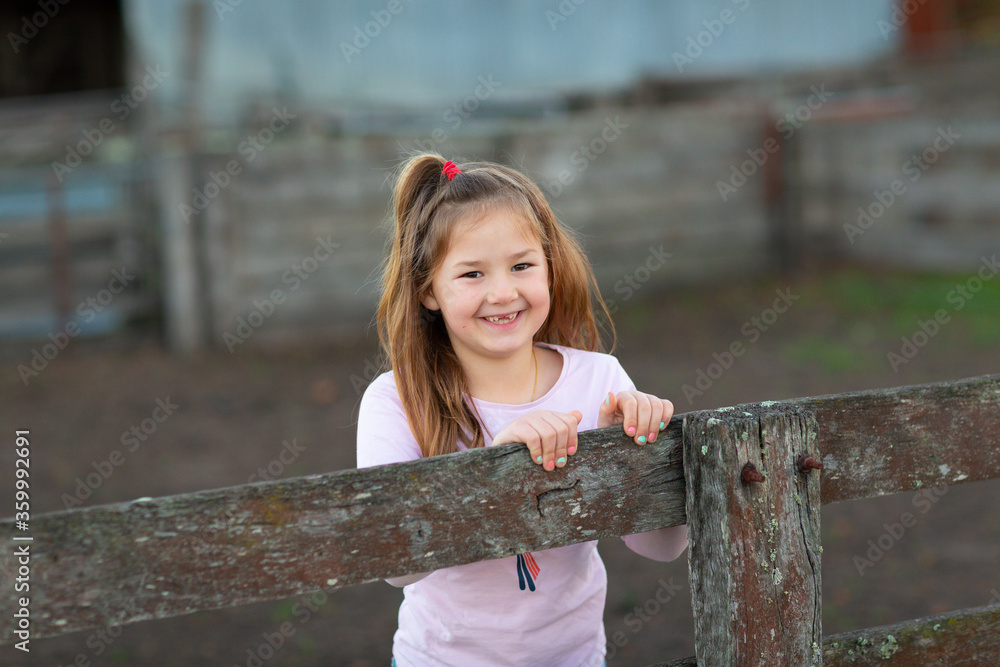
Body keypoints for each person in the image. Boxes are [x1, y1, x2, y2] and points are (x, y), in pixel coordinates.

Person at [357, 153, 688, 666]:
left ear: (549, 267)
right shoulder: (396, 400)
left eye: (521, 265)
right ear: (427, 290)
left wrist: (634, 456)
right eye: (471, 273)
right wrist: (497, 471)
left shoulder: (600, 381)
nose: (503, 292)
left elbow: (662, 548)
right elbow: (393, 563)